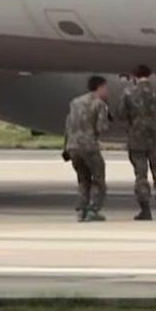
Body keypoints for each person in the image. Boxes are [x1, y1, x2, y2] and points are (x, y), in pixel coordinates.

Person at [118, 65, 156, 221]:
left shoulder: (128, 93)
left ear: (134, 76)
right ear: (151, 75)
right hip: (155, 138)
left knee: (141, 175)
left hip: (136, 139)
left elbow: (121, 114)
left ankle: (145, 210)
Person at [64, 76, 111, 222]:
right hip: (89, 146)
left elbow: (68, 125)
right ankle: (93, 209)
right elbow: (101, 127)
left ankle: (81, 209)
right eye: (106, 88)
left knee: (83, 179)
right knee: (98, 179)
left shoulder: (75, 102)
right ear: (100, 87)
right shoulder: (99, 104)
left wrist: (65, 147)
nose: (107, 91)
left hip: (73, 146)